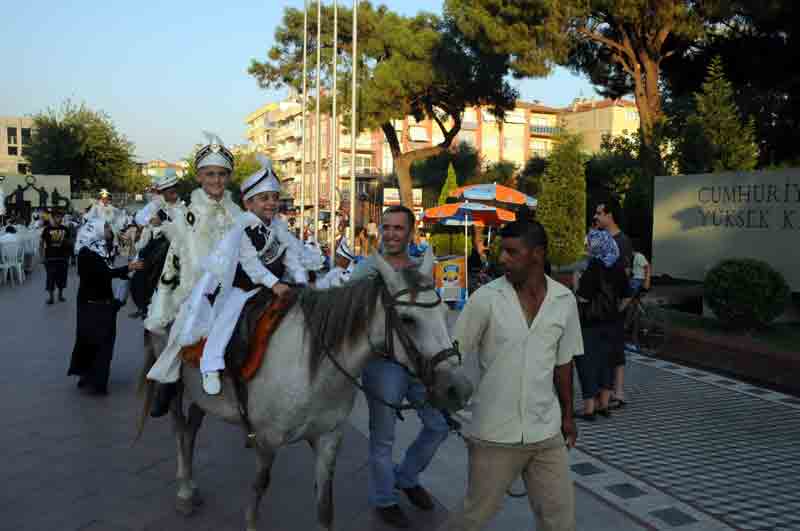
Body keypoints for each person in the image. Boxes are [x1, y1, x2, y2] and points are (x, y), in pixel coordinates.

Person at [442, 220, 582, 531]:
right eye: (501, 251)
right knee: (473, 517)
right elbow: (453, 354)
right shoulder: (486, 299)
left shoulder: (563, 300)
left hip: (546, 433)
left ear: (537, 254)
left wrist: (568, 416)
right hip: (494, 434)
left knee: (560, 521)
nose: (502, 259)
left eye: (511, 252)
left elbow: (564, 363)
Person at [350, 205, 449, 529]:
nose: (391, 234)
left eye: (398, 228)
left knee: (438, 425)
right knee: (384, 438)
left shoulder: (418, 268)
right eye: (387, 227)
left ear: (410, 232)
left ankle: (406, 477)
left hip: (420, 365)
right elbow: (351, 319)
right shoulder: (367, 270)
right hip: (384, 366)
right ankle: (384, 498)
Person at [182, 155, 309, 395]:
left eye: (274, 198)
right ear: (248, 203)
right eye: (263, 198)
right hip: (243, 287)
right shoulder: (242, 228)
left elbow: (293, 256)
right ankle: (211, 363)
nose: (271, 203)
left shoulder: (279, 227)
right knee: (227, 317)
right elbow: (251, 265)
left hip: (275, 287)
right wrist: (275, 284)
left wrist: (301, 280)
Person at [146, 134, 242, 416]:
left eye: (222, 174)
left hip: (234, 287)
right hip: (197, 288)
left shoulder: (238, 212)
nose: (216, 180)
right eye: (210, 174)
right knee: (183, 328)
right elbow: (175, 260)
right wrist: (166, 298)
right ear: (200, 177)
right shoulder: (186, 215)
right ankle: (168, 381)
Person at [68, 218, 144, 394]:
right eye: (106, 227)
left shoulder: (101, 250)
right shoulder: (87, 253)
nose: (110, 229)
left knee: (96, 342)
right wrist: (129, 267)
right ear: (96, 231)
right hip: (92, 305)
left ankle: (90, 376)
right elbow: (103, 274)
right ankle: (95, 381)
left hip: (101, 303)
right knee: (96, 343)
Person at [574, 229, 627, 421]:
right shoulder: (618, 266)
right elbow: (627, 295)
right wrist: (615, 311)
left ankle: (589, 409)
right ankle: (604, 405)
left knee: (587, 363)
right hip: (612, 323)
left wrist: (576, 282)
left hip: (590, 324)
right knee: (607, 362)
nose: (587, 247)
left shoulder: (593, 267)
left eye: (589, 244)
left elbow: (582, 297)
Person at [594, 200, 632, 410]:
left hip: (614, 303)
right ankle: (609, 390)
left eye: (599, 213)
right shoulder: (604, 239)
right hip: (602, 303)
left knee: (615, 347)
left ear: (610, 216)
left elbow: (625, 276)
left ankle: (618, 391)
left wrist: (620, 303)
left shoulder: (622, 241)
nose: (596, 217)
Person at [40, 209, 72, 304]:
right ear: (53, 218)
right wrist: (42, 256)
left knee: (62, 277)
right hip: (50, 257)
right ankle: (51, 297)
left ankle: (60, 295)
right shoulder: (47, 229)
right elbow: (41, 243)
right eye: (57, 217)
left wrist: (69, 254)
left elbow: (70, 242)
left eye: (61, 217)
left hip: (63, 257)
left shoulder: (65, 229)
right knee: (50, 277)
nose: (60, 219)